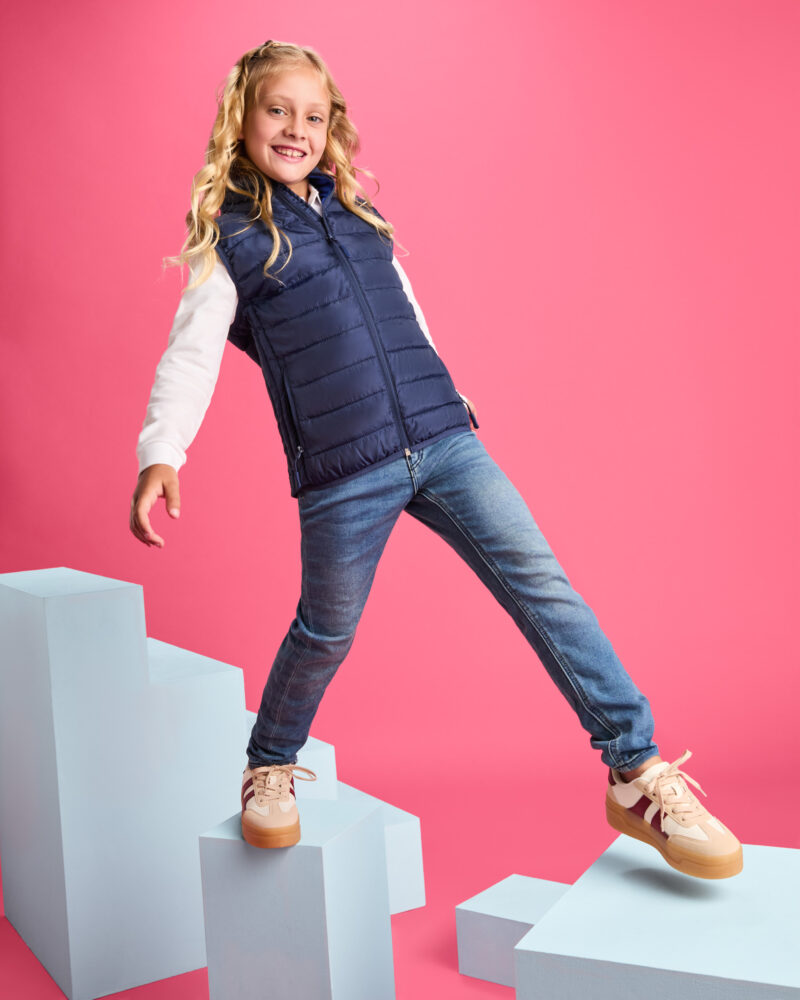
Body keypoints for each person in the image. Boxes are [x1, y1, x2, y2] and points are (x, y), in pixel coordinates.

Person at [130, 40, 742, 878]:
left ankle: (636, 770)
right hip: (345, 470)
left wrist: (448, 392)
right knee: (326, 631)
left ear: (331, 129)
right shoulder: (233, 239)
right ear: (243, 118)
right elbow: (192, 354)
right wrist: (162, 451)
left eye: (314, 116)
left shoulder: (359, 215)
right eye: (278, 110)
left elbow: (404, 313)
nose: (297, 129)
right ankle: (269, 762)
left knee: (545, 587)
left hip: (445, 440)